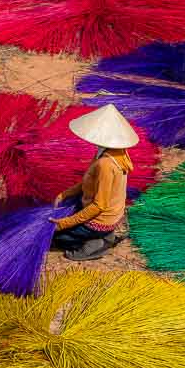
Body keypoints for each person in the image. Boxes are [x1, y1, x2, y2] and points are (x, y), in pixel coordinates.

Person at [50, 104, 140, 262]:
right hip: (113, 214)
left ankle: (98, 243)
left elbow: (99, 206)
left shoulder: (105, 164)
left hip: (100, 221)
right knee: (67, 213)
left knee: (55, 237)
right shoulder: (116, 152)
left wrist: (64, 223)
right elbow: (89, 181)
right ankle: (105, 235)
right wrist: (66, 193)